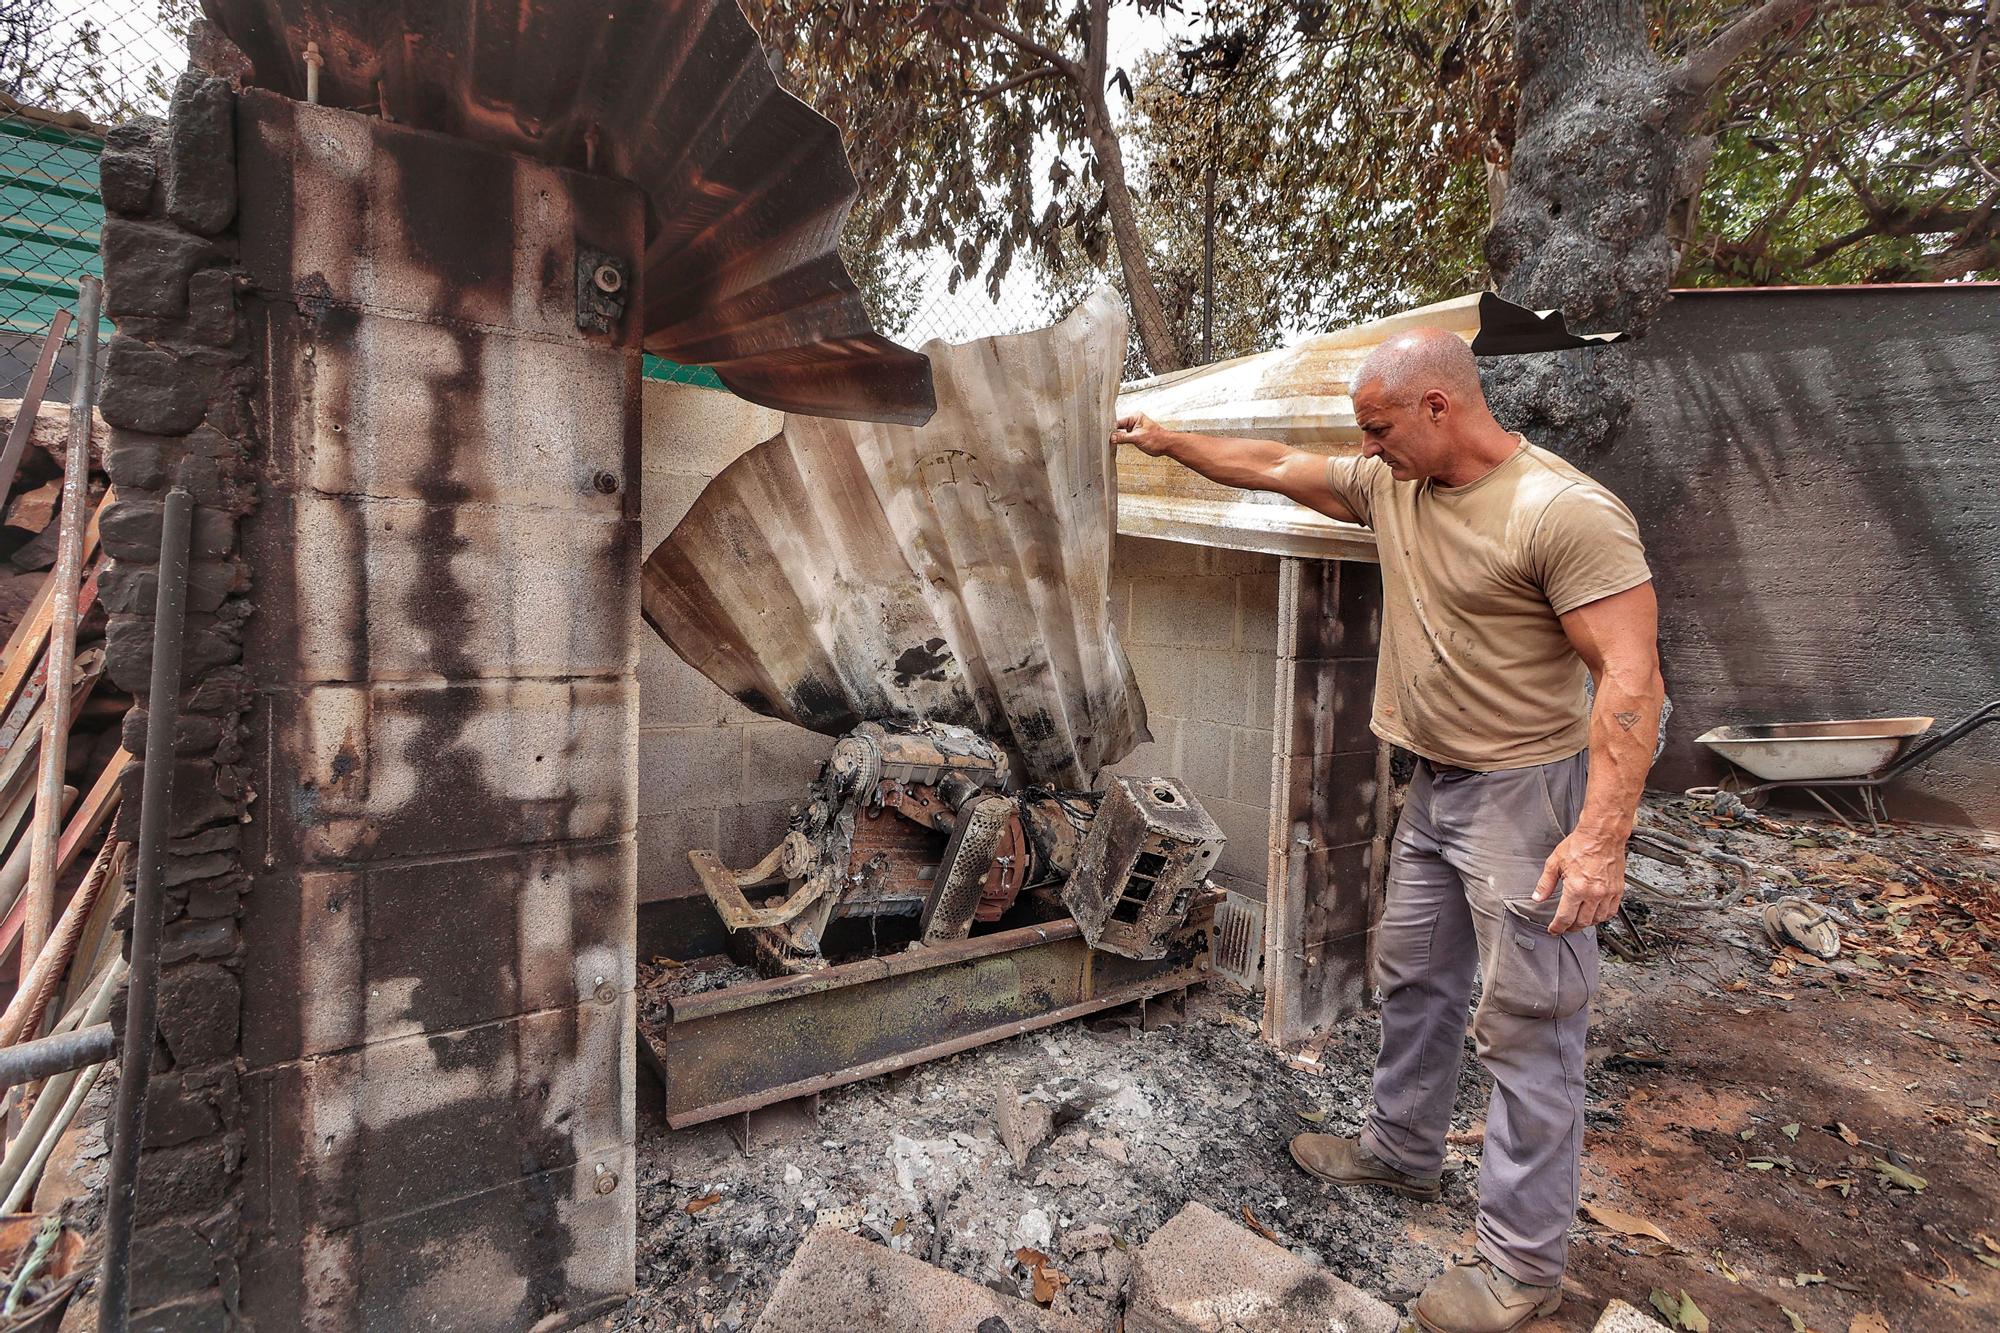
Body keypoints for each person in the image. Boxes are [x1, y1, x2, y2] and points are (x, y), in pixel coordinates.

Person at [1111, 329, 1665, 1333]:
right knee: (1413, 975)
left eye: (1378, 429)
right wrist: (1163, 439)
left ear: (1437, 408)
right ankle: (1401, 1151)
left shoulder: (1561, 512)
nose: (1367, 450)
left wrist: (1596, 839)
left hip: (1523, 797)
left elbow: (1631, 678)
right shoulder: (1391, 487)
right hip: (1433, 789)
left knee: (1530, 1026)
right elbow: (1278, 467)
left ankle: (1518, 1267)